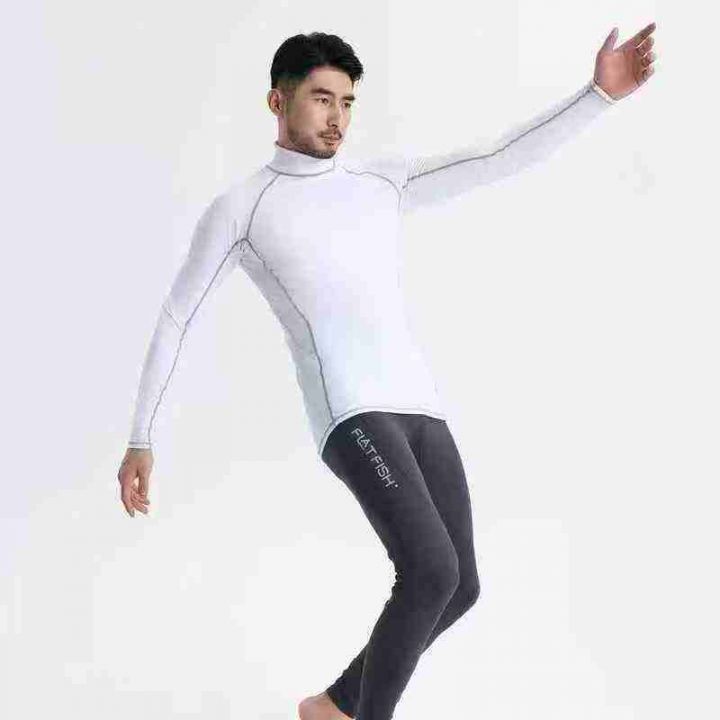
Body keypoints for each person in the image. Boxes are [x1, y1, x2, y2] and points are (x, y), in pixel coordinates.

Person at [117, 24, 657, 720]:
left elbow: (498, 158)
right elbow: (177, 318)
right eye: (321, 98)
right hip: (350, 412)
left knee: (459, 585)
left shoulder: (380, 181)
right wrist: (142, 437)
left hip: (419, 407)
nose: (337, 117)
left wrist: (596, 97)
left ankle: (333, 706)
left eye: (346, 102)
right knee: (429, 569)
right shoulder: (243, 210)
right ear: (277, 102)